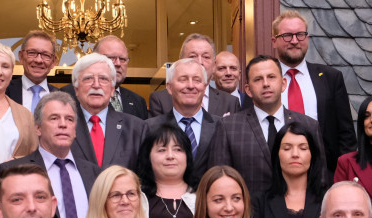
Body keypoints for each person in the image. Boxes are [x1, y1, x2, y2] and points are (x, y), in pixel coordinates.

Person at [210, 55, 325, 197]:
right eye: (258, 79)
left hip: (299, 215)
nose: (266, 83)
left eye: (271, 77)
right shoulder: (228, 127)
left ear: (283, 84)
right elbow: (219, 181)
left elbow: (320, 179)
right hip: (248, 216)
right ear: (248, 89)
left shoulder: (309, 125)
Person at [0, 92, 100, 218]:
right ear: (37, 128)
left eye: (69, 119)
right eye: (54, 118)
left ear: (75, 130)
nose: (63, 124)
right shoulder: (14, 171)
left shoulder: (95, 173)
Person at [271, 10, 356, 175]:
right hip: (276, 176)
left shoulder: (331, 78)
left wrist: (341, 177)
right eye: (287, 35)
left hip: (324, 176)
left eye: (300, 35)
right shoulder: (264, 81)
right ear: (274, 41)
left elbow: (346, 135)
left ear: (307, 38)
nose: (295, 41)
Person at [146, 58, 220, 185]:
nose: (190, 86)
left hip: (208, 202)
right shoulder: (150, 128)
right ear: (169, 87)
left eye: (197, 80)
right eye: (183, 79)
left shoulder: (221, 126)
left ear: (204, 86)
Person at [66, 53, 146, 170]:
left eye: (103, 79)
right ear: (76, 89)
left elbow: (145, 177)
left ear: (112, 89)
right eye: (88, 78)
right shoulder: (63, 126)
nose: (96, 85)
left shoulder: (136, 128)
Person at [149, 33, 239, 118]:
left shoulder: (230, 102)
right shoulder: (161, 99)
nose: (199, 62)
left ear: (214, 65)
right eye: (192, 56)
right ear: (181, 61)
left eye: (206, 57)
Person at [94, 35, 148, 120]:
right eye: (111, 58)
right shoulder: (73, 95)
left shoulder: (138, 102)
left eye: (122, 59)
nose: (118, 63)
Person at [5, 30, 61, 112]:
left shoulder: (62, 97)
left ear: (53, 62)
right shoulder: (4, 91)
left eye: (45, 55)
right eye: (32, 53)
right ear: (21, 56)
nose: (38, 60)